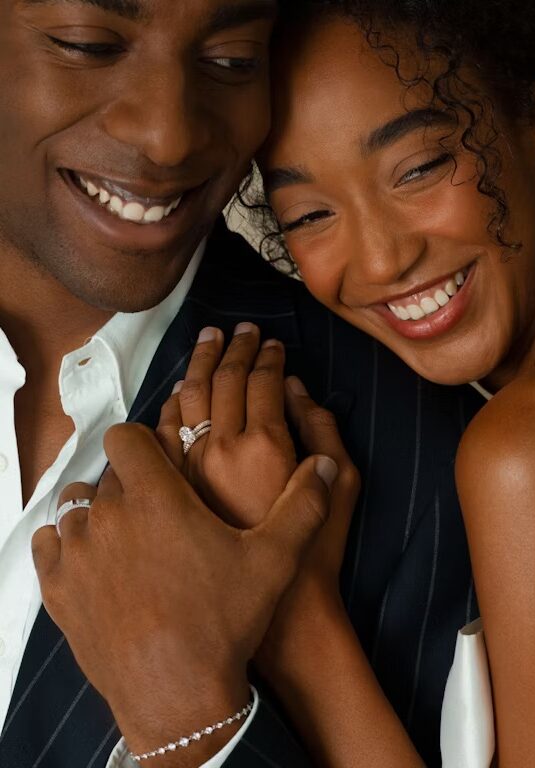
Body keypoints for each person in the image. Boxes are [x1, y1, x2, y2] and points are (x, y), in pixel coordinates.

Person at [0, 1, 484, 768]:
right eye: (87, 45)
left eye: (231, 60)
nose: (169, 136)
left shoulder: (430, 460)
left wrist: (199, 729)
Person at [225, 0, 535, 764]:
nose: (381, 261)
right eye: (309, 215)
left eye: (417, 169)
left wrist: (296, 619)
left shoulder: (531, 449)